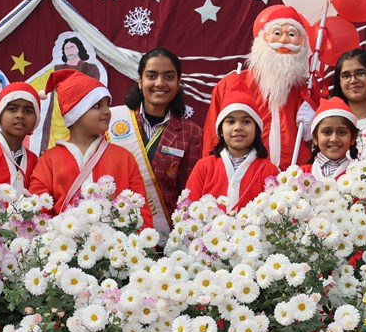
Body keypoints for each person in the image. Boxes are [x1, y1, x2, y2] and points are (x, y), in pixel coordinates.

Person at [29, 70, 152, 227]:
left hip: (118, 242)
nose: (107, 111)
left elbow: (141, 214)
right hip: (62, 240)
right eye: (97, 105)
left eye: (108, 104)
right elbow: (38, 215)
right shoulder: (49, 160)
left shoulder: (124, 157)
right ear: (75, 112)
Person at [203, 5, 318, 168]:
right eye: (277, 33)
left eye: (292, 34)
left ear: (302, 42)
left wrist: (314, 126)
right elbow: (213, 137)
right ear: (263, 37)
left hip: (295, 176)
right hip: (244, 174)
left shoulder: (307, 90)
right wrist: (213, 173)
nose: (284, 40)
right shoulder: (232, 84)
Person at [108, 49, 203, 237]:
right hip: (114, 232)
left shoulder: (191, 133)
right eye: (151, 76)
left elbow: (188, 194)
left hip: (163, 237)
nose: (160, 83)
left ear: (178, 82)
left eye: (169, 77)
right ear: (140, 81)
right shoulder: (112, 121)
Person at [183, 84, 279, 211]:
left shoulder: (268, 171)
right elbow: (188, 212)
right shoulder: (204, 167)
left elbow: (276, 216)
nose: (238, 127)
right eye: (231, 121)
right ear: (221, 130)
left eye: (246, 121)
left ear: (256, 130)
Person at [300, 97, 358, 181]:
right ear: (315, 138)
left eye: (341, 132)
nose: (334, 139)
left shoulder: (360, 175)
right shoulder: (299, 175)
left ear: (353, 138)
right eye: (327, 132)